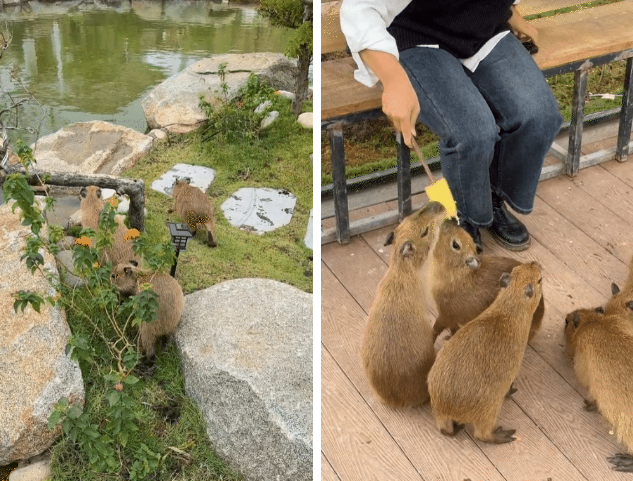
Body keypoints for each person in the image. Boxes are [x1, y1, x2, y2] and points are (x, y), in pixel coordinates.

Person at [340, 0, 563, 253]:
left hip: (483, 32)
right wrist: (393, 80)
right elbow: (359, 10)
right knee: (472, 133)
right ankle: (464, 217)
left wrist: (511, 12)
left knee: (540, 116)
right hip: (415, 37)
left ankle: (491, 198)